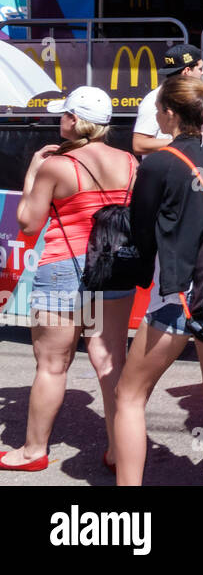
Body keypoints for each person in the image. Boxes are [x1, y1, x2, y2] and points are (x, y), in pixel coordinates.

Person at [115, 76, 203, 486]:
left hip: (175, 294)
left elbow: (140, 233)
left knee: (129, 396)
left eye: (157, 109)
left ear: (171, 113)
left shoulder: (158, 163)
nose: (153, 115)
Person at [1, 87, 138, 472]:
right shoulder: (129, 161)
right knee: (110, 360)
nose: (59, 120)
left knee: (51, 363)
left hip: (64, 267)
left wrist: (32, 169)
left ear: (75, 121)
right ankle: (119, 450)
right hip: (111, 266)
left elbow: (28, 222)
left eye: (64, 114)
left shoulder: (57, 166)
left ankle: (32, 452)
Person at [131, 43, 203, 155]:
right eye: (200, 69)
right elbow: (139, 144)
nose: (202, 73)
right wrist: (186, 141)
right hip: (164, 169)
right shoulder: (154, 100)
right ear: (187, 71)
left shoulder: (198, 97)